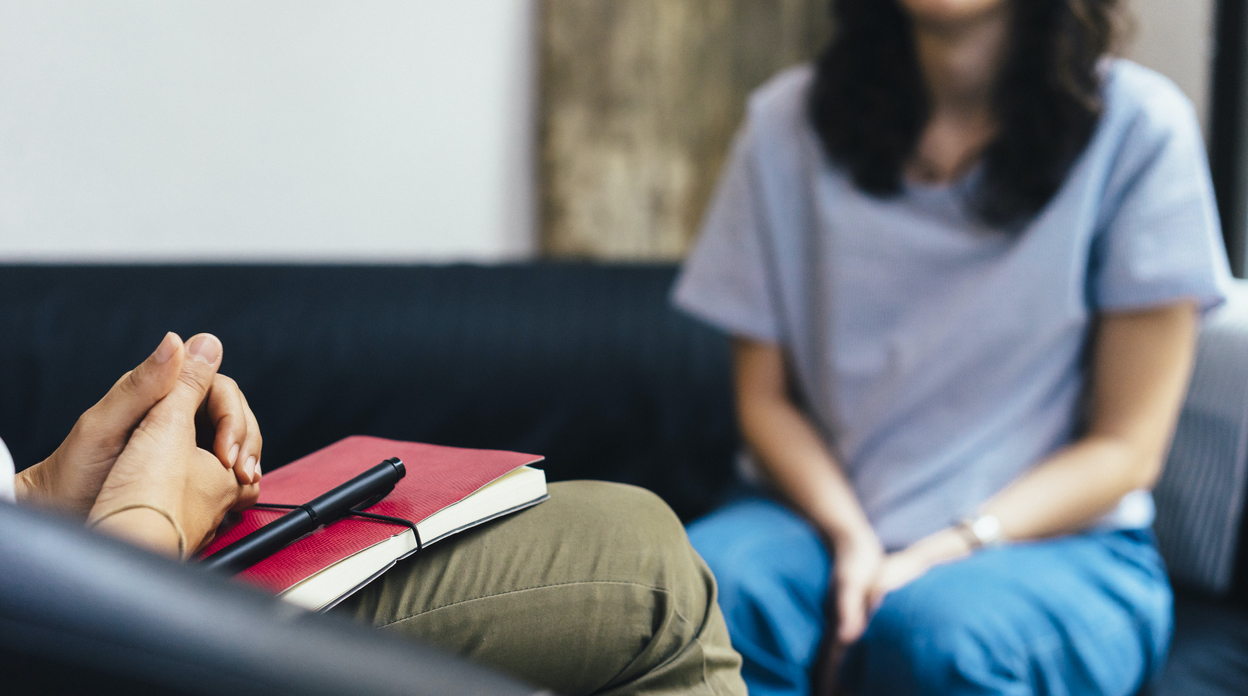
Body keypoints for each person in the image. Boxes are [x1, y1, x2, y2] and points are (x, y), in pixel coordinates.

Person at [672, 0, 1232, 695]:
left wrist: (950, 546)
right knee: (696, 598)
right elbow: (763, 399)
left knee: (938, 636)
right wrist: (852, 539)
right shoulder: (784, 124)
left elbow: (1128, 449)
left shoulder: (1141, 129)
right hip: (813, 520)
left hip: (1052, 542)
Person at [2, 331, 747, 696]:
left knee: (631, 531)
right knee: (647, 581)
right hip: (80, 631)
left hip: (44, 573)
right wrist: (141, 527)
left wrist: (44, 493)